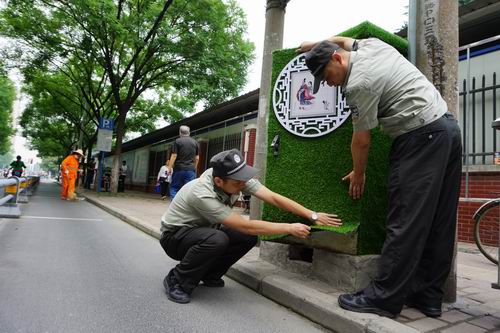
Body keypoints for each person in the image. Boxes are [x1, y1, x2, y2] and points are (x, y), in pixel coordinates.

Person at [299, 36, 462, 318]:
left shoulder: (358, 84)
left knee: (405, 220)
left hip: (419, 137)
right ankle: (428, 297)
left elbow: (361, 140)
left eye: (326, 77)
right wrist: (314, 43)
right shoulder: (373, 46)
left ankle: (383, 299)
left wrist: (359, 173)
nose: (329, 85)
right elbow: (341, 40)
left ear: (337, 59)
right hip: (447, 130)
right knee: (440, 220)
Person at [159, 149, 342, 304]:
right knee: (219, 239)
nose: (243, 185)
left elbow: (273, 197)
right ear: (219, 182)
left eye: (244, 179)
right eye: (238, 183)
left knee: (245, 238)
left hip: (202, 231)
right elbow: (246, 226)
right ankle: (177, 279)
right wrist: (288, 227)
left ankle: (210, 274)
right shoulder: (202, 193)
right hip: (174, 237)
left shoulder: (235, 178)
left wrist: (312, 214)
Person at [168, 125, 199, 199]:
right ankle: (185, 208)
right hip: (190, 170)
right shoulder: (195, 142)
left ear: (180, 132)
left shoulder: (177, 141)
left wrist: (169, 167)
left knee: (174, 188)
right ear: (189, 132)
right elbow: (197, 158)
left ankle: (175, 206)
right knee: (189, 190)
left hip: (179, 169)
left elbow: (174, 155)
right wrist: (194, 167)